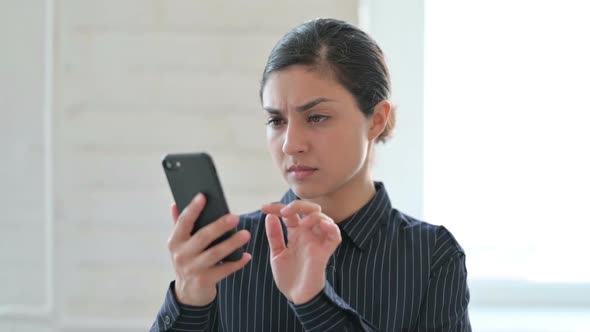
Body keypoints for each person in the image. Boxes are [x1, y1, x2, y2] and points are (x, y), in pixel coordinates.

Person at [150, 18, 471, 332]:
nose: (291, 144)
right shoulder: (230, 252)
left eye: (316, 117)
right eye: (276, 121)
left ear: (375, 120)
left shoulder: (431, 255)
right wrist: (188, 299)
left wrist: (314, 302)